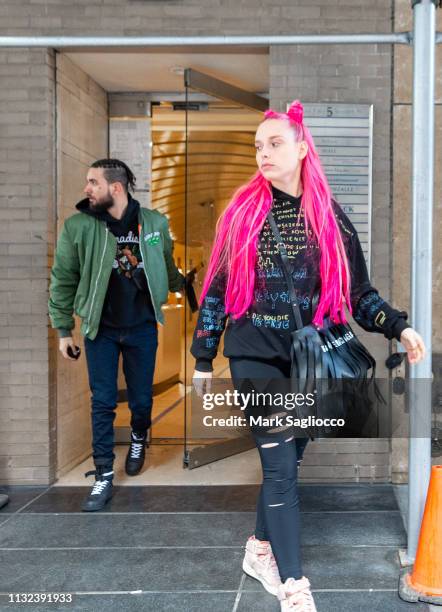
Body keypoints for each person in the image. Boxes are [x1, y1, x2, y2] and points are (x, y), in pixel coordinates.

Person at [190, 101, 426, 611]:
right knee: (280, 469)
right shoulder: (242, 216)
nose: (263, 153)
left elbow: (359, 294)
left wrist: (399, 327)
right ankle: (294, 586)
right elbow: (215, 289)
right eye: (258, 145)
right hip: (254, 355)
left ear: (301, 148)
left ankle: (259, 549)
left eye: (274, 143)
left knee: (289, 459)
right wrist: (203, 357)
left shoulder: (330, 220)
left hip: (307, 358)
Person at [49, 159, 185, 512]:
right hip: (101, 330)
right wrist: (64, 329)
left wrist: (187, 288)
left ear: (116, 188)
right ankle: (103, 474)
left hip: (142, 327)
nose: (86, 189)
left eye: (93, 182)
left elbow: (167, 267)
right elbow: (63, 278)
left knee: (141, 400)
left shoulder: (153, 222)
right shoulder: (80, 226)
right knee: (103, 401)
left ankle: (139, 436)